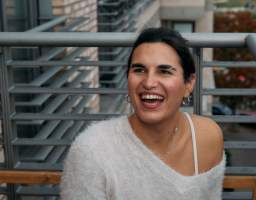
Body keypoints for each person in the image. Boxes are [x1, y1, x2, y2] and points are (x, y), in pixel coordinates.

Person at [60, 27, 225, 200]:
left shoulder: (208, 138)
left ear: (189, 84)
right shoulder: (92, 151)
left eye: (164, 71)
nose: (149, 82)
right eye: (139, 70)